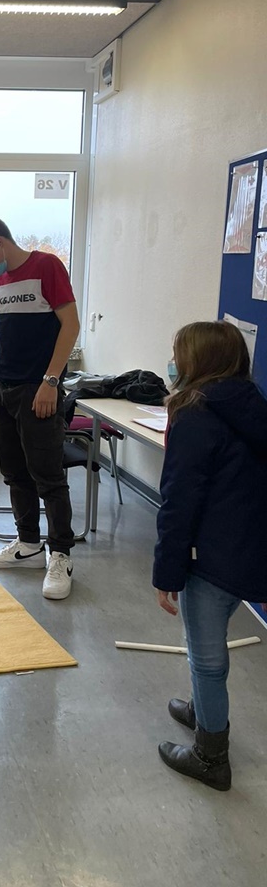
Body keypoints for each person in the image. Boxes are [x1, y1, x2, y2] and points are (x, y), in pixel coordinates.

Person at [153, 320, 267, 791]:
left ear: (197, 360)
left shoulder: (194, 414)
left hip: (212, 555)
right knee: (210, 649)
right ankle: (203, 710)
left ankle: (210, 756)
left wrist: (167, 572)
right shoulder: (252, 403)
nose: (173, 362)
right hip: (250, 548)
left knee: (206, 657)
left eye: (178, 353)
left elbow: (179, 501)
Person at [0, 216, 81, 600]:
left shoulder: (47, 266)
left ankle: (60, 555)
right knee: (14, 472)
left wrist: (51, 381)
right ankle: (28, 544)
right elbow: (2, 333)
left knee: (48, 475)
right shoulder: (0, 280)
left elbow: (71, 325)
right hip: (3, 388)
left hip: (37, 388)